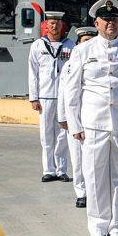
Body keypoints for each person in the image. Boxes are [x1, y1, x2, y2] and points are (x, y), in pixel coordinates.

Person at [63, 0, 118, 236]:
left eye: (114, 20)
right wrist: (75, 125)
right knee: (94, 176)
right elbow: (72, 90)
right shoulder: (83, 51)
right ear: (96, 23)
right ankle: (98, 226)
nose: (110, 24)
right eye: (106, 20)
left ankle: (117, 226)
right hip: (94, 123)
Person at [28, 11, 73, 183]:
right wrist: (34, 97)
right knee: (46, 135)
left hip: (64, 97)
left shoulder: (71, 46)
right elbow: (33, 73)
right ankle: (48, 170)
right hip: (45, 96)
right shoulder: (38, 45)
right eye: (51, 23)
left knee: (63, 135)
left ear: (62, 26)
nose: (54, 27)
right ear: (46, 25)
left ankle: (61, 170)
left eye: (58, 24)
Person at [57, 26, 97, 208]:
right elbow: (63, 94)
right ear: (78, 44)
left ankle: (96, 193)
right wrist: (63, 118)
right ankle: (81, 192)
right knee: (78, 158)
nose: (88, 43)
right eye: (85, 40)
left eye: (91, 40)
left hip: (94, 118)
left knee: (97, 160)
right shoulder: (68, 66)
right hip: (75, 117)